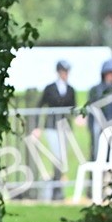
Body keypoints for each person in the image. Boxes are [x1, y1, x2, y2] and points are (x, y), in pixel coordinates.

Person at [31, 60, 78, 194]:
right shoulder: (50, 88)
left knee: (62, 157)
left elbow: (73, 107)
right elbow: (39, 107)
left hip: (65, 127)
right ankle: (56, 186)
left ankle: (58, 186)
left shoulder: (70, 90)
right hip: (51, 125)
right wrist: (36, 127)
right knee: (56, 155)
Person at [87, 58, 112, 160]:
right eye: (108, 73)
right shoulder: (95, 90)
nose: (110, 76)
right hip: (99, 127)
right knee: (98, 153)